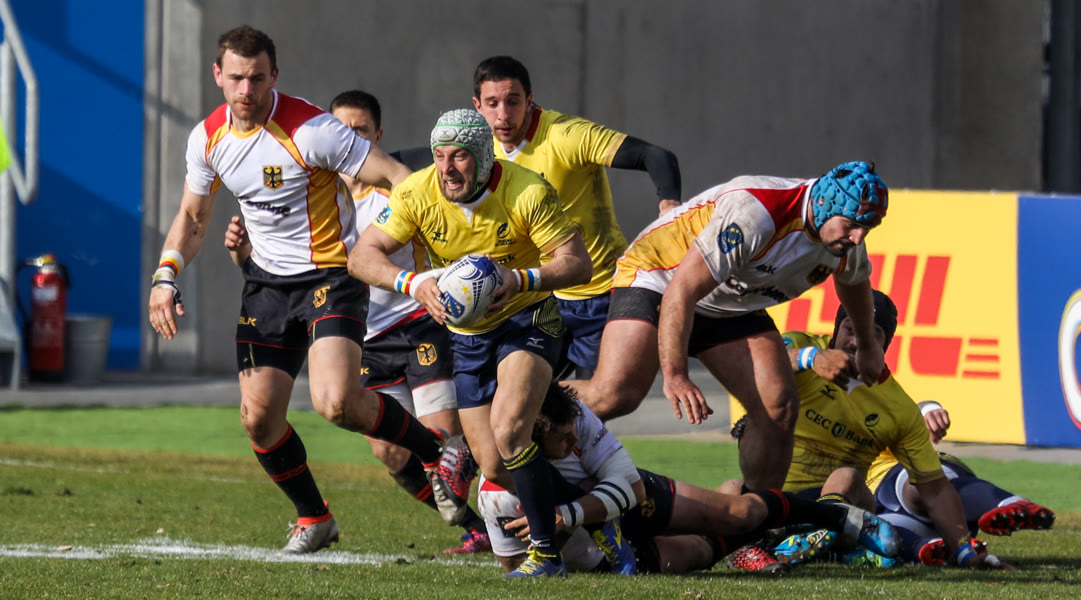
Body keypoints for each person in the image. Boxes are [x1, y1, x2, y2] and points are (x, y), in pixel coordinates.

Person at [147, 25, 448, 555]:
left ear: (274, 76)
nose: (246, 90)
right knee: (258, 420)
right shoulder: (207, 138)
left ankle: (437, 453)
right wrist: (165, 275)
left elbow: (397, 175)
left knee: (337, 403)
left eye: (257, 78)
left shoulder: (313, 130)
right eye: (236, 78)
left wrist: (407, 239)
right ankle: (314, 516)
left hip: (331, 276)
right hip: (266, 285)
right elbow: (193, 218)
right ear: (217, 75)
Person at [223, 89, 490, 555]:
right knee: (390, 451)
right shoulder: (306, 198)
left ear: (376, 137)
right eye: (340, 130)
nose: (349, 139)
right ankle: (478, 527)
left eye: (360, 131)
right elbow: (280, 271)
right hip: (363, 339)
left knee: (448, 443)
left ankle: (525, 520)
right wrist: (244, 251)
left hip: (418, 324)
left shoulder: (398, 192)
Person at [349, 108, 594, 577]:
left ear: (483, 157)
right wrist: (412, 282)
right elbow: (362, 256)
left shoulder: (527, 190)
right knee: (495, 465)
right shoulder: (417, 191)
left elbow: (577, 263)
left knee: (510, 431)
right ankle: (601, 512)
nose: (447, 168)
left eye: (459, 156)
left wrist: (520, 278)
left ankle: (546, 555)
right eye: (440, 156)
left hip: (528, 319)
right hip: (468, 337)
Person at [566, 161, 889, 491]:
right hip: (660, 276)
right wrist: (676, 374)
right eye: (852, 225)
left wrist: (867, 345)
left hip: (728, 299)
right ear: (822, 204)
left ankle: (760, 512)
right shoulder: (758, 211)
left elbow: (854, 283)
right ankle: (535, 405)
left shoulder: (845, 242)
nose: (858, 237)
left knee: (778, 405)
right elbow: (682, 290)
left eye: (867, 228)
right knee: (617, 394)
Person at [482, 382, 899, 575]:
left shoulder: (578, 417)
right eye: (563, 439)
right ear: (533, 439)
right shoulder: (498, 493)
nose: (574, 442)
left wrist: (569, 514)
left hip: (625, 499)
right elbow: (513, 565)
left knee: (738, 512)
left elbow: (632, 486)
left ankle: (837, 516)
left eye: (573, 432)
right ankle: (770, 538)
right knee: (699, 553)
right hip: (602, 552)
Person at [728, 290, 1007, 569]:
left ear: (885, 344)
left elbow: (934, 488)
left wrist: (965, 553)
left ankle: (806, 537)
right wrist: (809, 357)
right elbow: (752, 361)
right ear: (836, 328)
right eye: (850, 329)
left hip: (843, 504)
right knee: (731, 488)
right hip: (776, 498)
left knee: (846, 477)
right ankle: (772, 548)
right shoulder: (802, 346)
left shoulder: (898, 408)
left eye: (872, 334)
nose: (856, 341)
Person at [472, 56, 682, 379]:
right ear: (477, 106)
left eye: (513, 101)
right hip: (542, 298)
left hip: (600, 295)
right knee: (521, 399)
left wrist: (669, 207)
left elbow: (656, 156)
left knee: (593, 403)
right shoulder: (483, 150)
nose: (503, 114)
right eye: (492, 103)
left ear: (529, 100)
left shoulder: (566, 135)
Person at [866, 401, 1054, 566]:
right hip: (891, 517)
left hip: (907, 477)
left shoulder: (861, 410)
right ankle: (940, 549)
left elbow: (904, 410)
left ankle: (1010, 504)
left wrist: (928, 410)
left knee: (917, 486)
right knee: (875, 531)